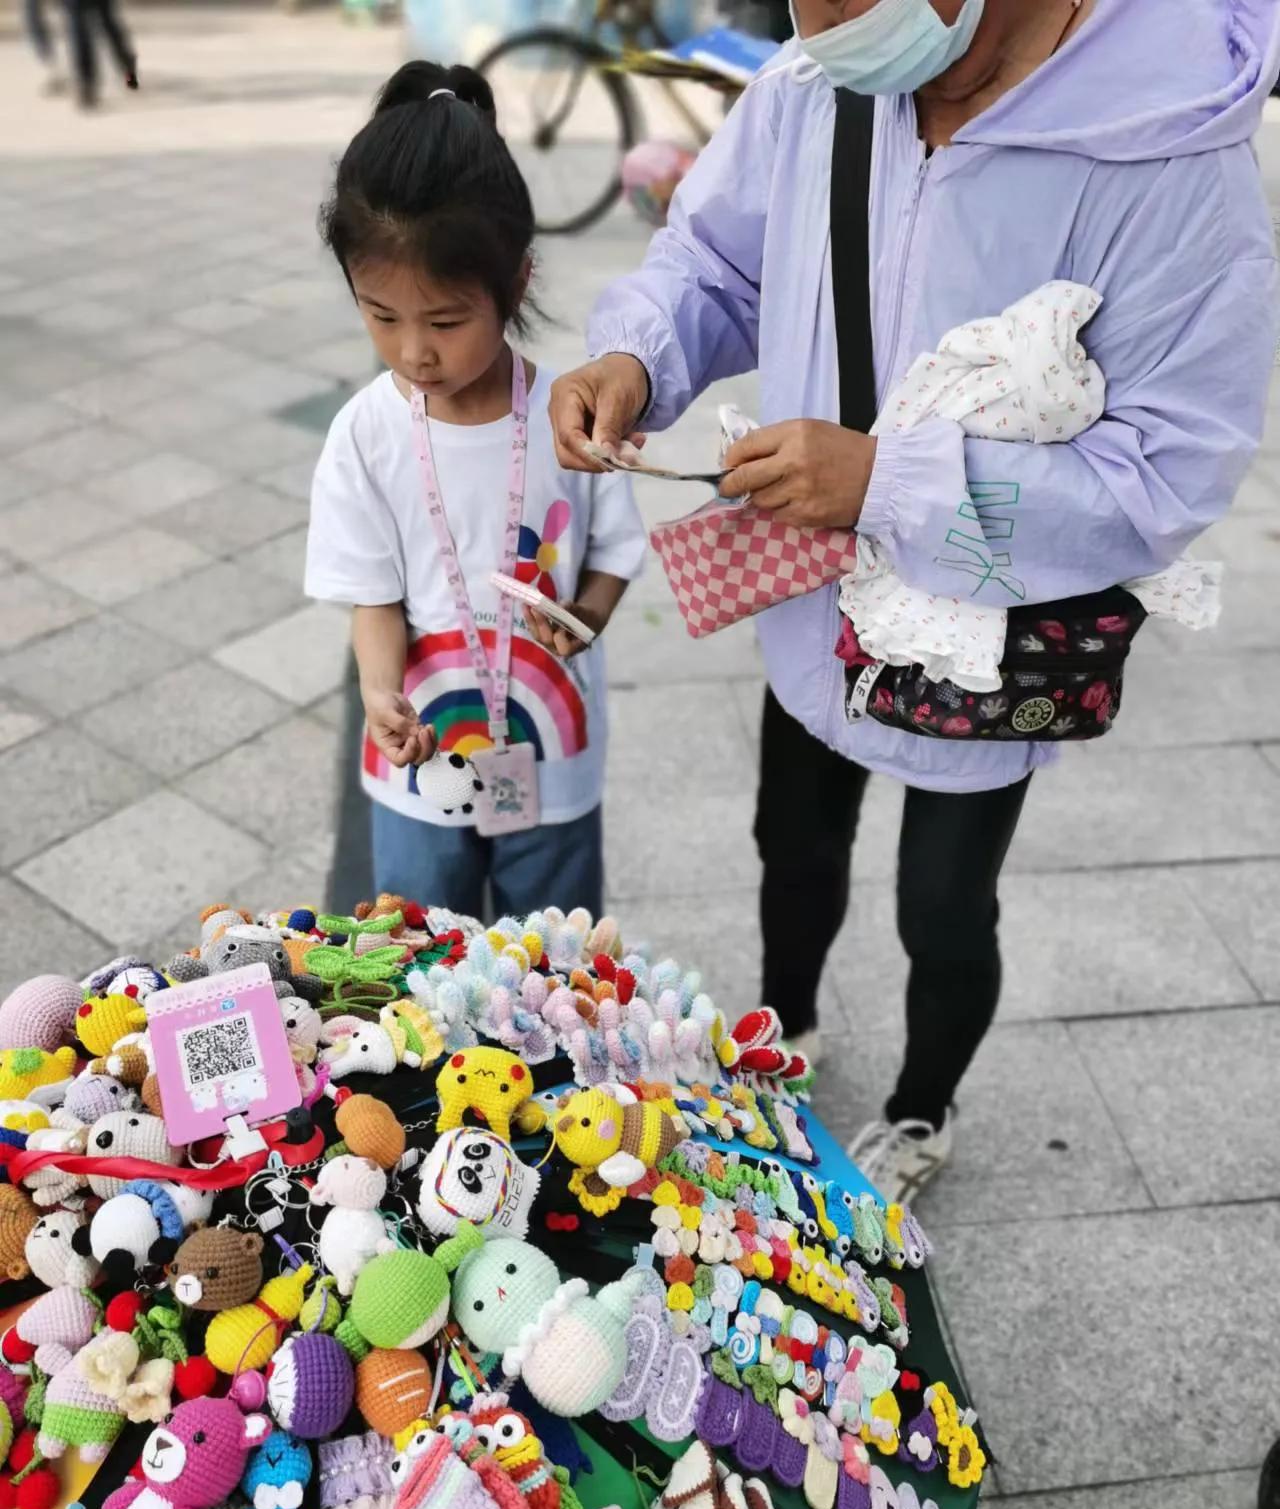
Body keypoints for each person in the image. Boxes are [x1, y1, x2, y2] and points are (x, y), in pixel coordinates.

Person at [549, 0, 1280, 1200]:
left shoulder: (1166, 149)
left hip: (985, 629)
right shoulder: (820, 77)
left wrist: (889, 481)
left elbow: (1164, 469)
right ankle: (780, 1030)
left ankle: (920, 1105)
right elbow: (717, 260)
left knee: (943, 905)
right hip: (807, 591)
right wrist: (637, 354)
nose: (826, 24)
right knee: (792, 837)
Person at [306, 62, 646, 923]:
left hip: (554, 750)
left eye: (446, 321)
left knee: (558, 958)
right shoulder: (367, 434)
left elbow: (610, 553)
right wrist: (381, 692)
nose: (414, 350)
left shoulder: (569, 417)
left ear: (517, 284)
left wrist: (587, 618)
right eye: (380, 315)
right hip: (419, 755)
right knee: (420, 953)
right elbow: (373, 598)